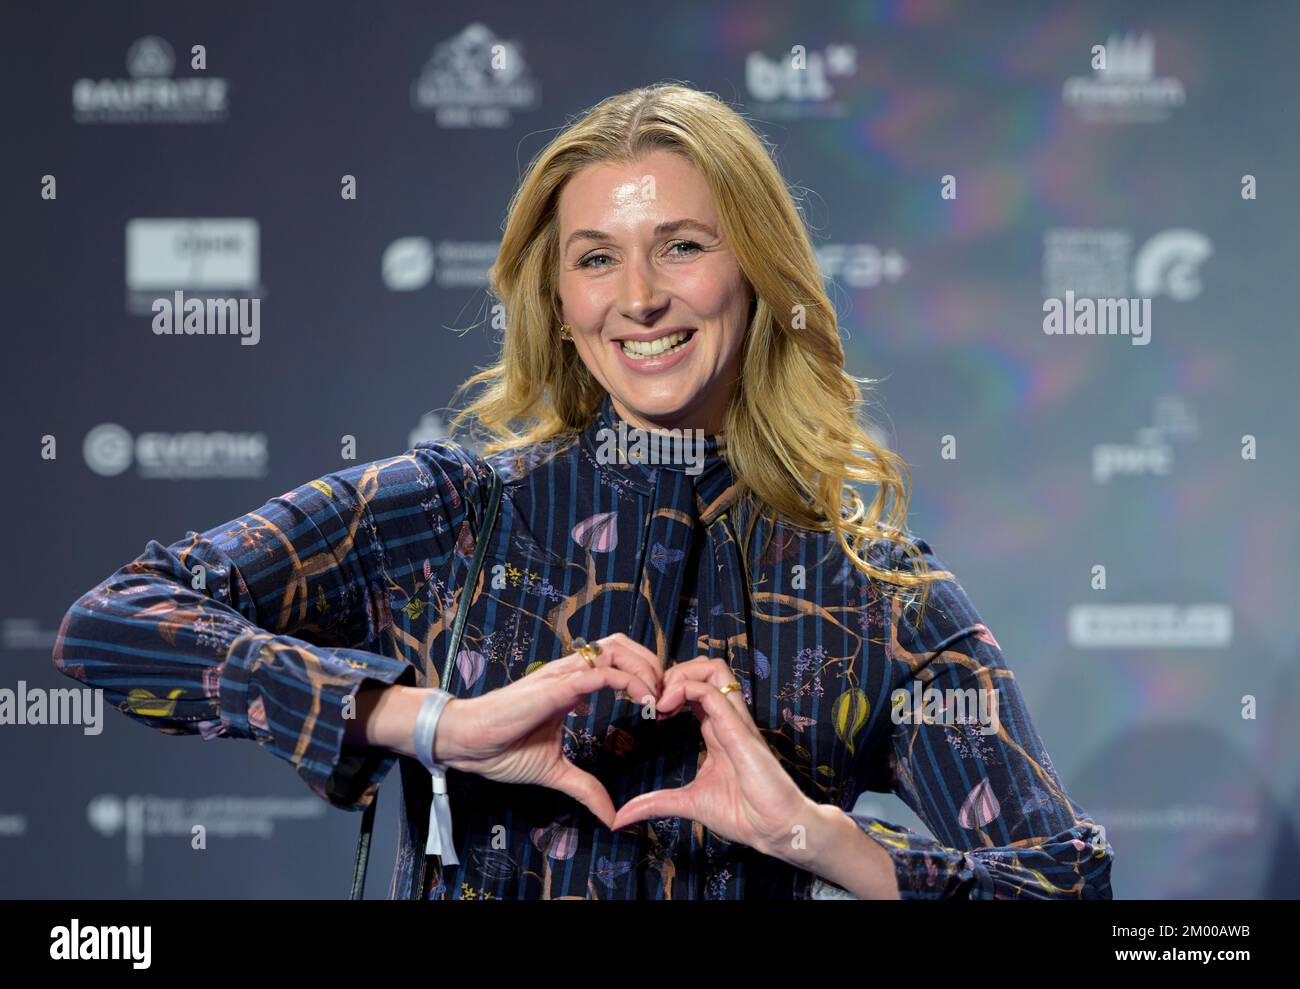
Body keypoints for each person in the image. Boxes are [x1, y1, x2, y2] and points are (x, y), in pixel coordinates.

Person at [53, 83, 1113, 900]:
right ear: (559, 303)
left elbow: (1072, 888)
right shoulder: (451, 514)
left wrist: (819, 838)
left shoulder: (875, 588)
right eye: (597, 259)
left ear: (756, 272)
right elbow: (115, 628)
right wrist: (429, 723)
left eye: (683, 247)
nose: (641, 297)